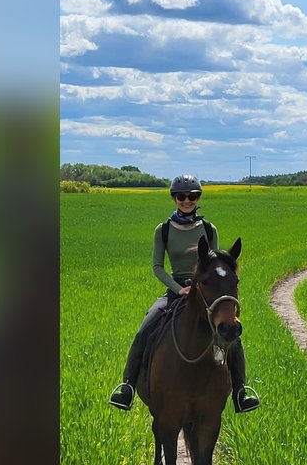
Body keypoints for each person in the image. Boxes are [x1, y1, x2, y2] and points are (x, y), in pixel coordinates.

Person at [108, 174, 261, 413]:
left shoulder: (209, 229)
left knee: (232, 336)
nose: (187, 201)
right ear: (174, 199)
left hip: (206, 292)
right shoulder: (164, 230)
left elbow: (215, 264)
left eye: (192, 196)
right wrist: (180, 289)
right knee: (145, 327)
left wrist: (202, 289)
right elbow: (157, 267)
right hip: (176, 289)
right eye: (181, 196)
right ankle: (127, 385)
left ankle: (241, 390)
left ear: (198, 198)